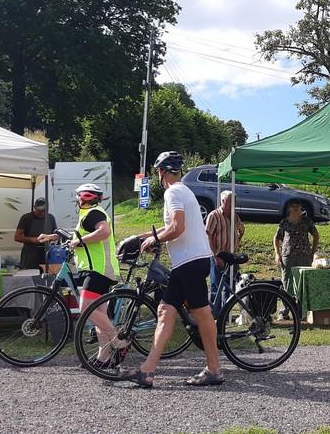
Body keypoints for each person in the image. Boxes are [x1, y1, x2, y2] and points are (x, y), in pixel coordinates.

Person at [119, 151, 223, 388]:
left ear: (161, 172)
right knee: (165, 312)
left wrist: (155, 240)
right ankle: (147, 371)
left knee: (203, 315)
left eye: (158, 172)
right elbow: (171, 227)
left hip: (191, 262)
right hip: (187, 263)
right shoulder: (183, 191)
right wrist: (141, 236)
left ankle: (214, 369)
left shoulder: (173, 191)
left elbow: (177, 227)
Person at [38, 183, 119, 365]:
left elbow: (103, 231)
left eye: (77, 197)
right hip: (99, 269)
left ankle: (119, 342)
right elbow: (77, 236)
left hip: (99, 270)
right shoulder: (88, 215)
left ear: (83, 198)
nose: (76, 200)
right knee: (99, 315)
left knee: (86, 310)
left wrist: (81, 241)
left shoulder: (94, 214)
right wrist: (53, 237)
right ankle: (103, 358)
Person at [204, 190, 244, 316]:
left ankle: (225, 315)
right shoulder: (214, 215)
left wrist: (238, 240)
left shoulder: (235, 217)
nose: (232, 205)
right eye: (229, 202)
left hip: (231, 256)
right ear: (222, 201)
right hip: (218, 256)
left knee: (230, 286)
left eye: (234, 202)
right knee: (216, 287)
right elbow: (208, 237)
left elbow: (241, 229)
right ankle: (215, 315)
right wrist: (216, 256)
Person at [274, 201, 320, 295]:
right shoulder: (284, 222)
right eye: (293, 206)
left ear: (301, 208)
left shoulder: (307, 221)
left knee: (302, 282)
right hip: (288, 256)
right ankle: (286, 306)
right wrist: (277, 254)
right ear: (289, 209)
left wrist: (312, 252)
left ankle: (300, 307)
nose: (295, 208)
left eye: (297, 206)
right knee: (287, 282)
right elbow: (276, 238)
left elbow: (316, 235)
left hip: (304, 255)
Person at [14, 198, 57, 272]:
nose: (42, 213)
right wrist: (32, 239)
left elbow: (55, 234)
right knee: (30, 275)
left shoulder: (51, 218)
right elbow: (17, 237)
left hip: (46, 252)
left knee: (47, 275)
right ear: (34, 208)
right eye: (39, 211)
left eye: (44, 211)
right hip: (30, 253)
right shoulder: (26, 218)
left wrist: (51, 237)